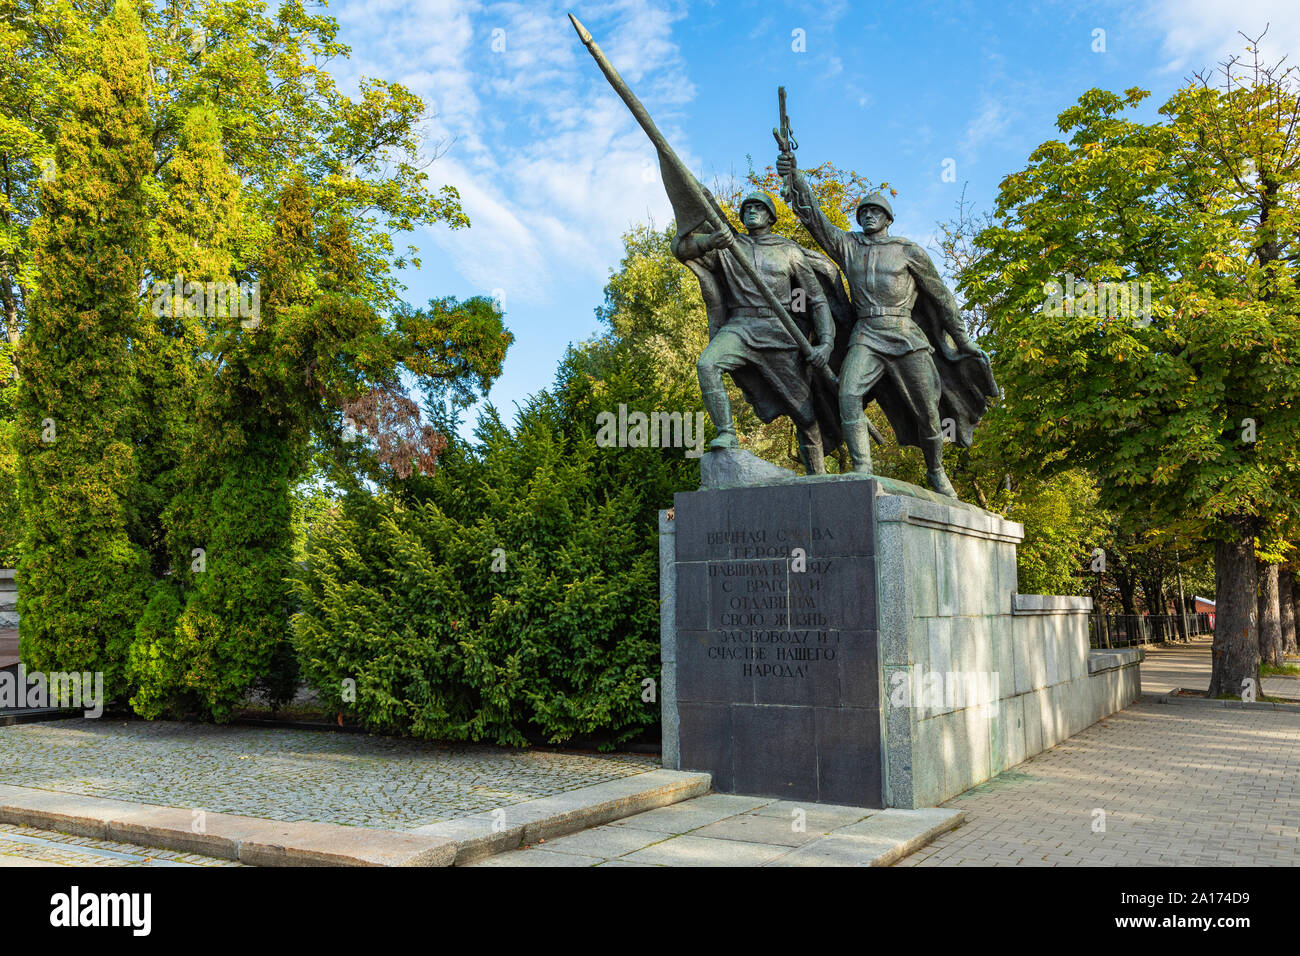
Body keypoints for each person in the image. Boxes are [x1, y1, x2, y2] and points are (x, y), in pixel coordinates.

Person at [776, 150, 995, 497]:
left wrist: (962, 340)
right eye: (863, 212)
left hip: (907, 335)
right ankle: (863, 468)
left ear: (888, 217)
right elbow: (813, 218)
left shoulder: (909, 251)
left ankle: (936, 471)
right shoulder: (848, 245)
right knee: (848, 394)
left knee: (928, 410)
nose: (868, 216)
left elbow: (941, 297)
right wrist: (794, 177)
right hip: (867, 335)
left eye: (875, 211)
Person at [673, 191, 842, 474]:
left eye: (758, 207)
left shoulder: (789, 251)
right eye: (747, 207)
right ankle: (726, 432)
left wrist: (825, 342)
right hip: (740, 327)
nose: (752, 211)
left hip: (780, 332)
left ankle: (817, 475)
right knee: (707, 364)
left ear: (770, 216)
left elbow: (817, 300)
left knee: (805, 414)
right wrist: (710, 241)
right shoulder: (729, 245)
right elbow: (680, 249)